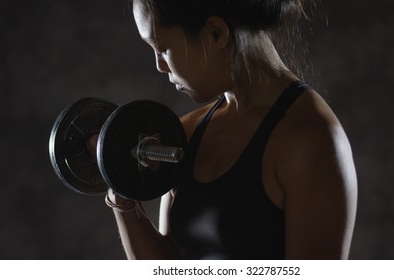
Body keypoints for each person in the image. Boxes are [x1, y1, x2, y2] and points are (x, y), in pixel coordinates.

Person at [104, 0, 358, 259]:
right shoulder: (187, 132)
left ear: (216, 33)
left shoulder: (310, 139)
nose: (160, 66)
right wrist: (123, 198)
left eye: (163, 48)